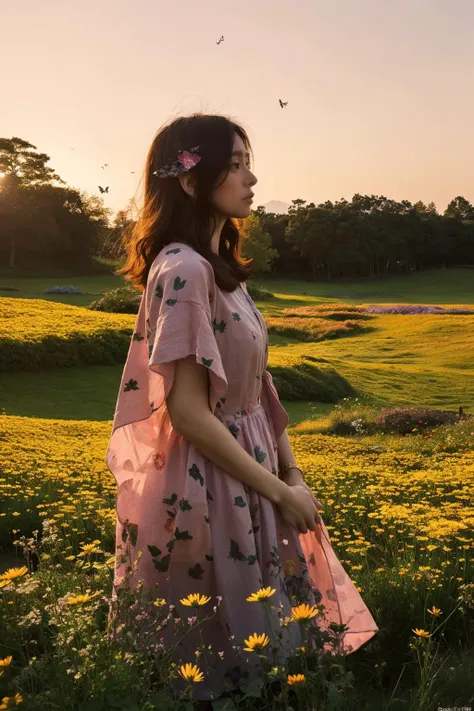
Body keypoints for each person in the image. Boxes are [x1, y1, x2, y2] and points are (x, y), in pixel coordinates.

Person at [105, 113, 378, 704]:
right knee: (214, 654)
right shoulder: (182, 272)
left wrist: (292, 470)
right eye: (234, 166)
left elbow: (258, 388)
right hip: (211, 481)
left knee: (263, 634)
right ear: (187, 180)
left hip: (250, 468)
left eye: (246, 163)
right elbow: (189, 412)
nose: (251, 178)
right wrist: (279, 491)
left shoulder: (221, 271)